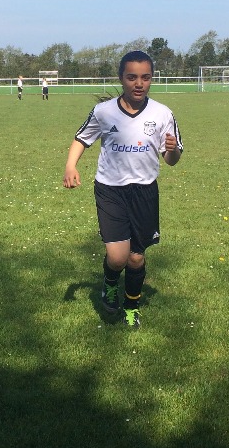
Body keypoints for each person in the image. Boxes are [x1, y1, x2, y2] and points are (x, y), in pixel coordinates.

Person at [63, 50, 182, 328]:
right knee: (118, 258)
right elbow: (81, 139)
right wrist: (70, 166)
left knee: (136, 258)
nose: (139, 84)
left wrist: (173, 150)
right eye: (132, 77)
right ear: (121, 78)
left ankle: (131, 305)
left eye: (145, 78)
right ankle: (110, 283)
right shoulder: (104, 112)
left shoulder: (163, 113)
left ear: (151, 79)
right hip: (110, 190)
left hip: (144, 191)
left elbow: (171, 160)